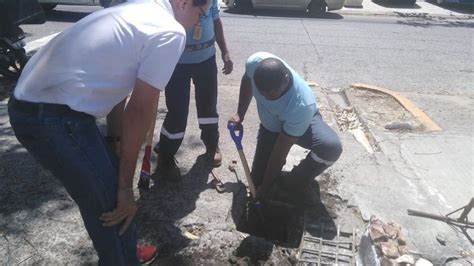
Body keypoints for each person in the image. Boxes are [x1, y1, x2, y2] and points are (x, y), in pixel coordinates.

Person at [8, 0, 210, 264]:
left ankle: (122, 250)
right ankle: (122, 258)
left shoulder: (142, 8)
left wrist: (115, 141)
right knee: (113, 202)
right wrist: (126, 187)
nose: (200, 22)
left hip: (29, 103)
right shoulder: (170, 31)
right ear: (184, 3)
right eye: (201, 13)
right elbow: (138, 112)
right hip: (52, 117)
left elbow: (117, 86)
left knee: (110, 183)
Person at [228, 52, 342, 202]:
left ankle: (296, 180)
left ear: (286, 79)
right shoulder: (254, 63)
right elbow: (247, 80)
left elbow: (280, 152)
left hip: (298, 120)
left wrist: (267, 187)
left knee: (330, 147)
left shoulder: (302, 106)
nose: (268, 98)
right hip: (270, 126)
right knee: (257, 181)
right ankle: (268, 183)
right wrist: (239, 114)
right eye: (263, 94)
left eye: (273, 94)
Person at [153, 0, 233, 179]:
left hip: (206, 60)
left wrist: (225, 52)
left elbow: (215, 20)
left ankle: (212, 145)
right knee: (177, 112)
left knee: (208, 107)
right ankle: (166, 155)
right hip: (176, 63)